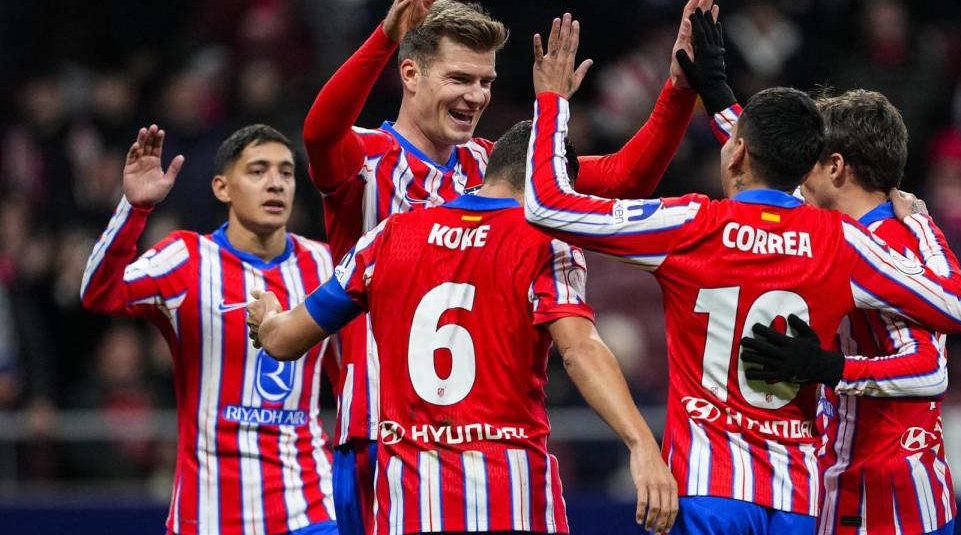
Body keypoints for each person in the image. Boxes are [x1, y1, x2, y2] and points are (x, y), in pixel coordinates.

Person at [302, 0, 717, 533]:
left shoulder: (495, 166)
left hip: (488, 440)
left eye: (486, 81)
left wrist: (677, 90)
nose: (476, 96)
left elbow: (622, 180)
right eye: (460, 78)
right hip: (383, 433)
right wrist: (383, 36)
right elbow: (320, 133)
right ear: (411, 74)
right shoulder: (369, 160)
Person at [522, 10, 961, 535]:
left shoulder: (693, 223)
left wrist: (551, 103)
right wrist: (715, 91)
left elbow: (549, 205)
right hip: (799, 492)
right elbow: (952, 305)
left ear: (834, 167)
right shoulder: (845, 242)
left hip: (738, 485)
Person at [247, 118, 679, 534]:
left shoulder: (388, 235)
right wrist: (641, 443)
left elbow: (284, 339)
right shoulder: (544, 242)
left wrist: (266, 319)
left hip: (409, 508)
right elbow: (578, 348)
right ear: (552, 185)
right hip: (513, 502)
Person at [80, 124, 338, 535]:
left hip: (310, 509)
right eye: (257, 171)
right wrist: (134, 210)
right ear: (222, 188)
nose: (275, 184)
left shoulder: (327, 266)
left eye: (285, 173)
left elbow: (356, 376)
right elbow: (99, 294)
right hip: (208, 515)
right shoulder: (186, 259)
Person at [739, 90, 959, 535]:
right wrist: (717, 94)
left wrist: (825, 366)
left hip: (881, 500)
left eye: (810, 163)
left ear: (836, 168)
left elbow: (930, 370)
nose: (799, 175)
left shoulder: (879, 246)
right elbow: (768, 157)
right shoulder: (872, 231)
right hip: (889, 487)